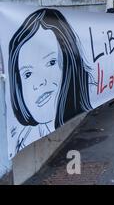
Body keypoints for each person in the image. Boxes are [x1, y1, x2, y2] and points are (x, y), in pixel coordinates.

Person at [9, 8, 93, 153]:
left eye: (51, 62)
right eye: (27, 74)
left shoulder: (92, 90)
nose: (39, 83)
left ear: (70, 64)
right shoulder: (20, 138)